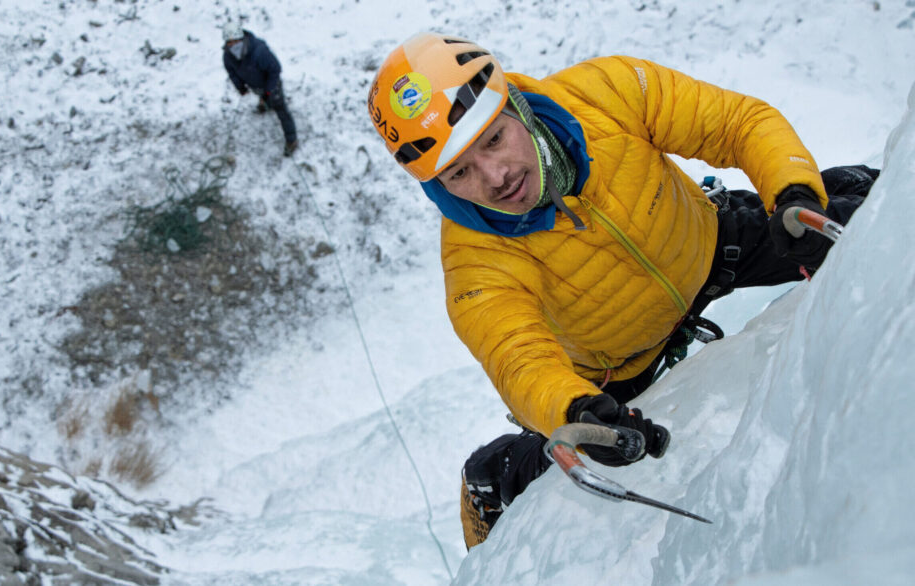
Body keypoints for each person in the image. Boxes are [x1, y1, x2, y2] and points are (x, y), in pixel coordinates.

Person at [366, 33, 878, 549]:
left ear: (515, 106)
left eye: (494, 139)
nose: (495, 177)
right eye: (459, 172)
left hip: (705, 246)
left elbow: (736, 123)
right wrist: (574, 409)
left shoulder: (605, 93)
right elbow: (517, 357)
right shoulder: (472, 262)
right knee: (573, 440)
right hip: (615, 372)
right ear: (436, 186)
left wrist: (793, 193)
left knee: (859, 206)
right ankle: (490, 479)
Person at [221, 22, 299, 157]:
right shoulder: (228, 56)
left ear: (241, 38)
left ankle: (291, 140)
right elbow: (232, 72)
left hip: (272, 86)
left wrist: (269, 90)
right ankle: (264, 103)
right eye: (229, 42)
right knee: (262, 96)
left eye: (235, 41)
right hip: (255, 85)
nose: (232, 45)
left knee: (281, 110)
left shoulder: (259, 51)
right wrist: (240, 87)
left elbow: (275, 70)